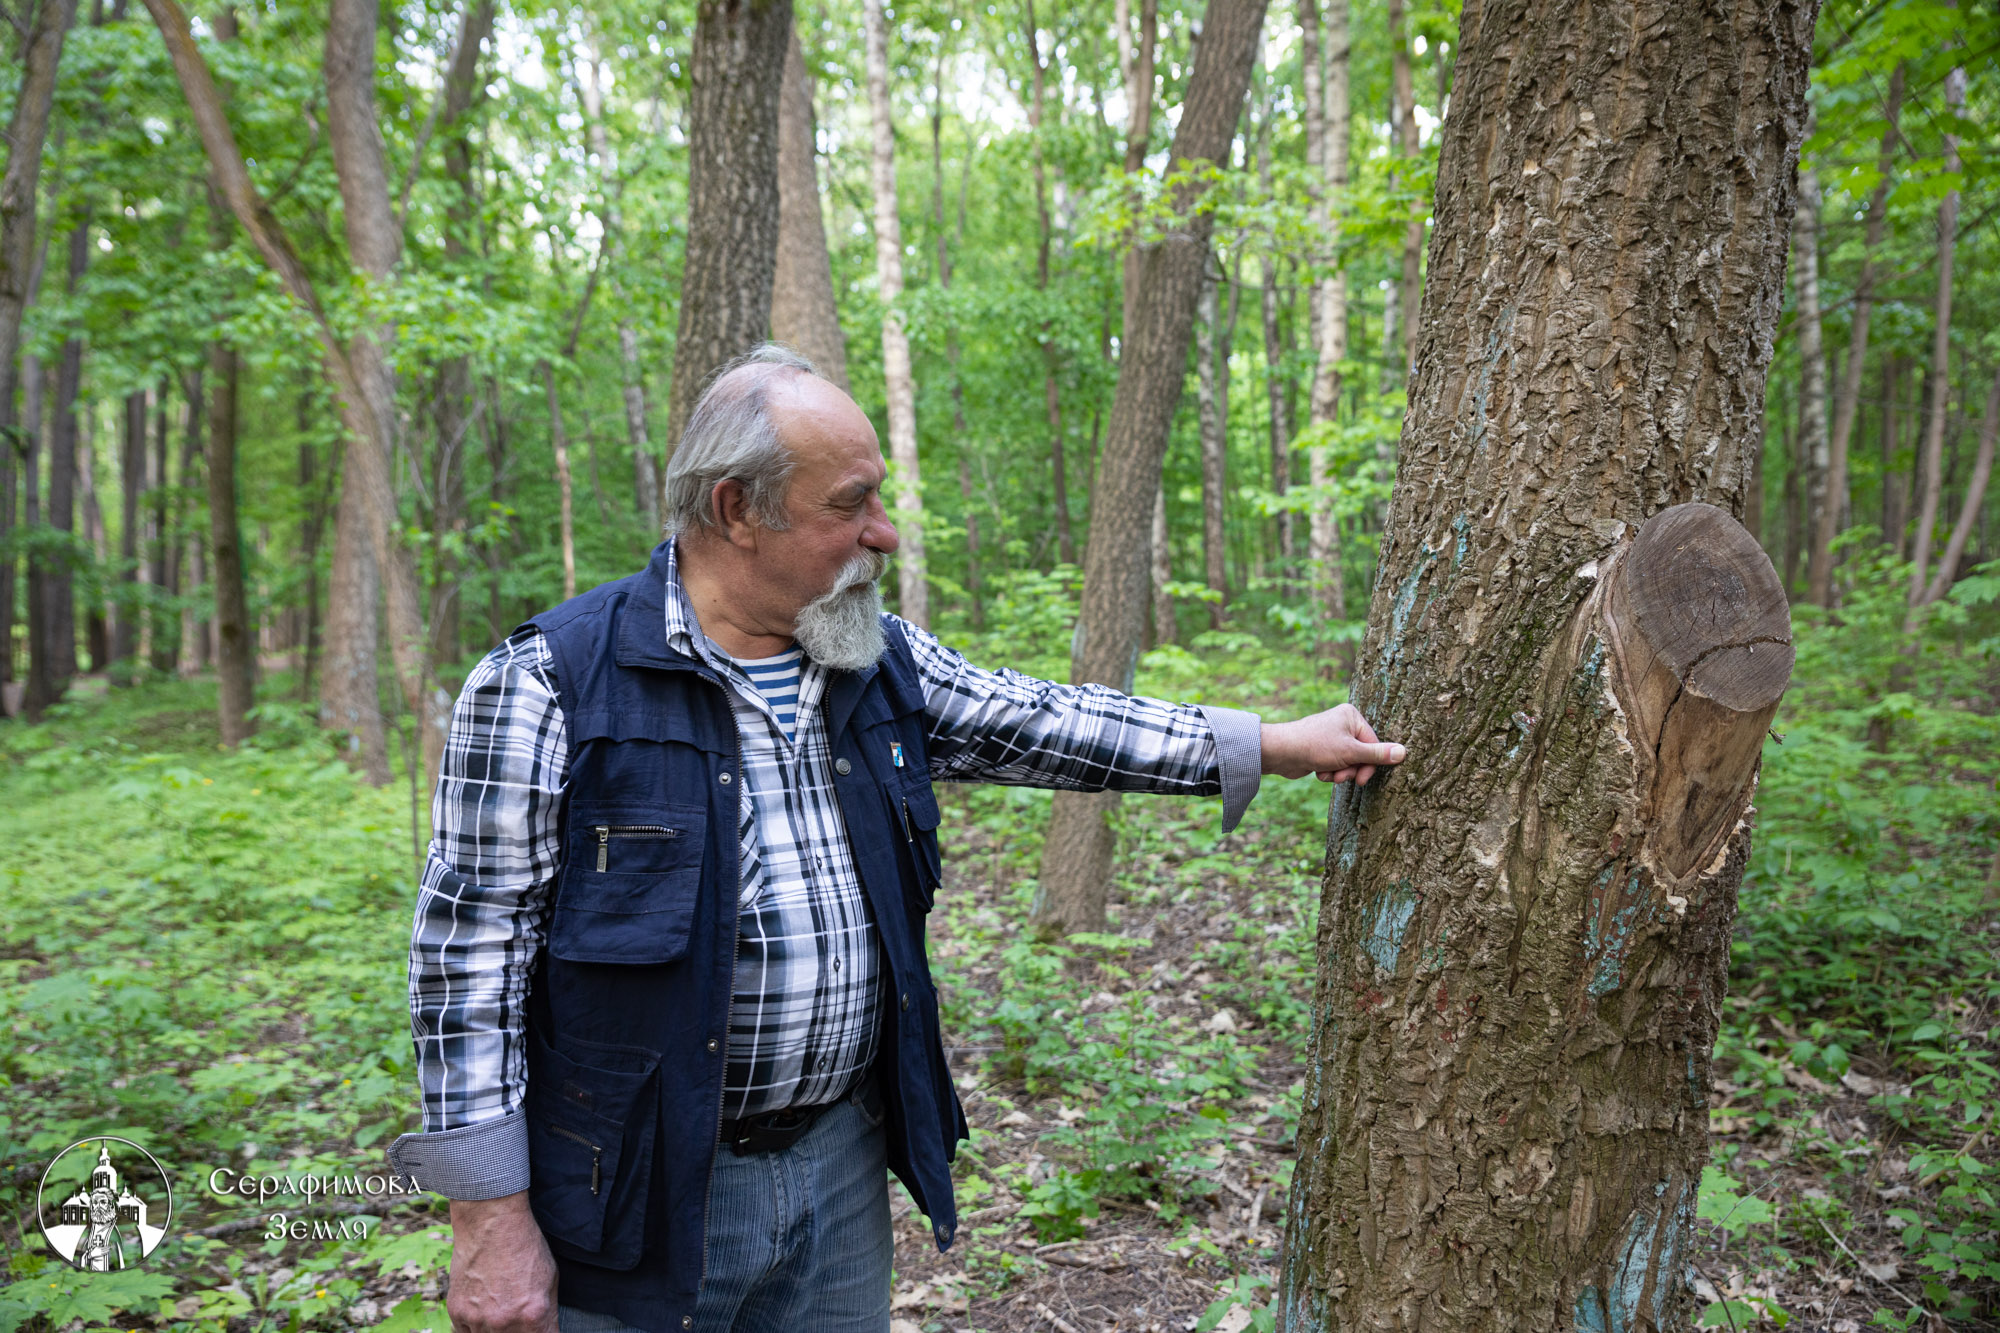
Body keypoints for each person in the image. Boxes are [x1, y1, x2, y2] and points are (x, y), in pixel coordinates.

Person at [387, 345, 1405, 1333]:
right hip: (632, 1193)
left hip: (837, 1170)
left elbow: (1047, 723)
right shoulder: (546, 683)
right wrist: (488, 1217)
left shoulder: (870, 659)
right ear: (736, 510)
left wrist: (1271, 745)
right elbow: (466, 961)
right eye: (848, 505)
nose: (883, 535)